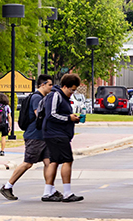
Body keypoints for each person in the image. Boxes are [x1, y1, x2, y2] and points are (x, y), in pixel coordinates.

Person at [0, 74, 54, 200]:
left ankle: (49, 191)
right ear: (43, 85)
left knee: (48, 162)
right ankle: (7, 186)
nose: (51, 87)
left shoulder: (42, 97)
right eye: (50, 84)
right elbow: (39, 115)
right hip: (34, 136)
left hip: (43, 136)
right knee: (28, 163)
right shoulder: (37, 98)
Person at [41, 73, 83, 203]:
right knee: (67, 160)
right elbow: (51, 114)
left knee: (54, 161)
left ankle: (47, 192)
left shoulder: (62, 97)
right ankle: (67, 193)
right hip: (56, 133)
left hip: (54, 133)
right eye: (71, 89)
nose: (72, 93)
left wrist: (73, 118)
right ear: (64, 86)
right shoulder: (56, 95)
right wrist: (68, 118)